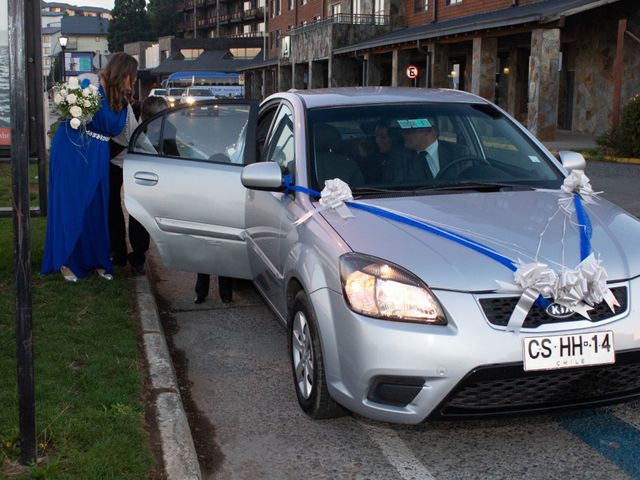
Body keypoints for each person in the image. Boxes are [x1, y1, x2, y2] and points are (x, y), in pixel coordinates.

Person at [41, 52, 138, 282]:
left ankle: (96, 259)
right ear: (122, 73)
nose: (132, 82)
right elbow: (69, 113)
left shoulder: (122, 99)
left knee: (96, 206)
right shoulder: (91, 86)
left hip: (98, 155)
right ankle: (66, 260)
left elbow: (126, 132)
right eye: (131, 77)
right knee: (72, 205)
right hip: (73, 151)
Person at [109, 95, 167, 275]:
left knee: (138, 211)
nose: (158, 128)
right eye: (154, 123)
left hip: (139, 169)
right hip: (113, 163)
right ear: (143, 115)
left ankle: (138, 257)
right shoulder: (126, 116)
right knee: (112, 207)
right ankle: (117, 252)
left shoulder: (168, 126)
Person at [399, 119, 466, 179]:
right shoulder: (401, 158)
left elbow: (468, 179)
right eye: (404, 131)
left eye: (409, 131)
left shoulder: (459, 153)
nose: (403, 134)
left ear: (431, 131)